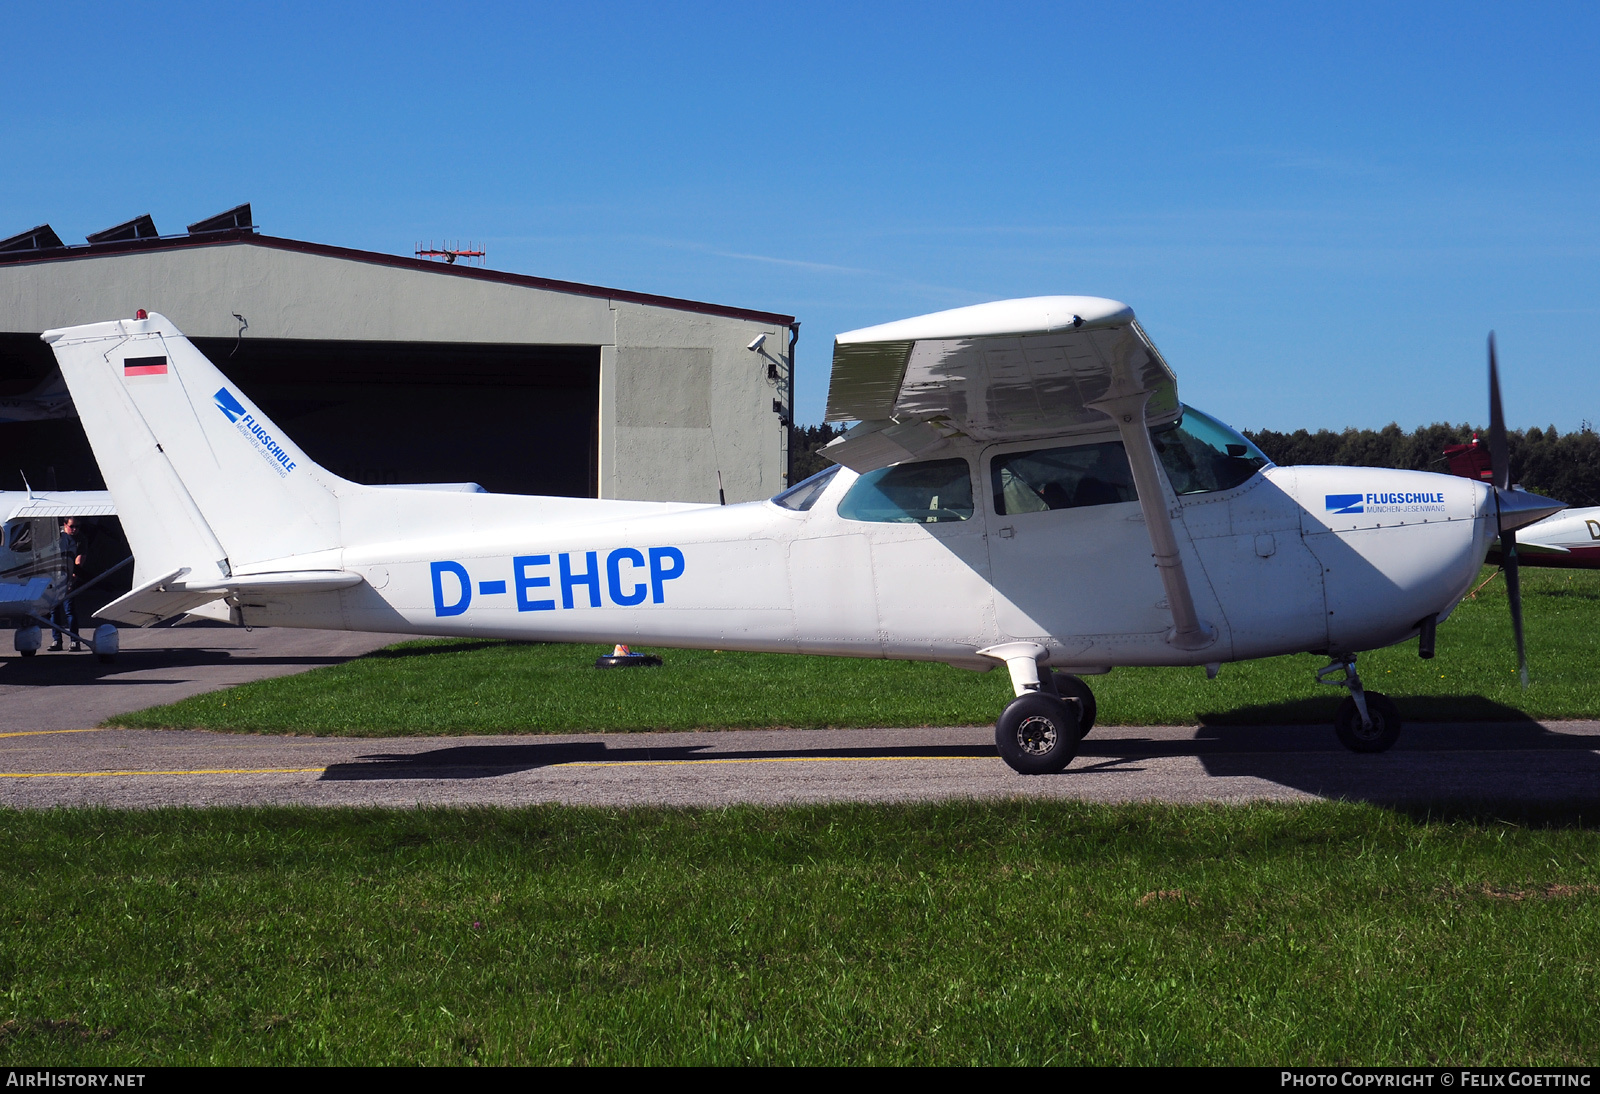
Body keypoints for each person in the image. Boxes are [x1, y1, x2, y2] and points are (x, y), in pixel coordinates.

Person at [49, 517, 84, 651]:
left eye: (77, 527)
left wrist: (70, 582)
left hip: (68, 577)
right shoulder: (55, 537)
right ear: (64, 525)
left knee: (69, 610)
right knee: (54, 610)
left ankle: (75, 641)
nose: (75, 529)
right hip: (53, 577)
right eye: (72, 526)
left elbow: (78, 562)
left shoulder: (81, 540)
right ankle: (56, 640)